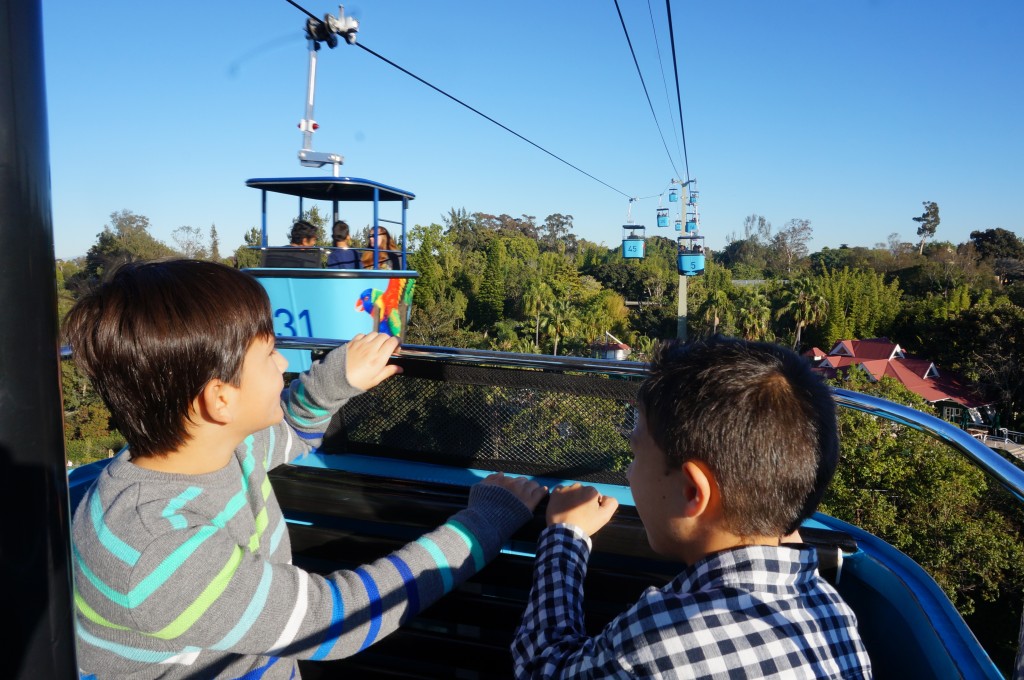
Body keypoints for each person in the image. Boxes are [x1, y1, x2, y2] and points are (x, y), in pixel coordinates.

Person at [65, 259, 546, 679]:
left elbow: (293, 432)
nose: (282, 363)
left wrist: (335, 382)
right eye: (269, 352)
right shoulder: (156, 550)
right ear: (219, 399)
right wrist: (486, 522)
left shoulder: (215, 451)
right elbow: (335, 619)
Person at [512, 335, 871, 679]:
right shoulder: (830, 610)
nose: (627, 470)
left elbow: (543, 667)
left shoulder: (664, 636)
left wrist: (564, 536)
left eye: (635, 454)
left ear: (690, 491)